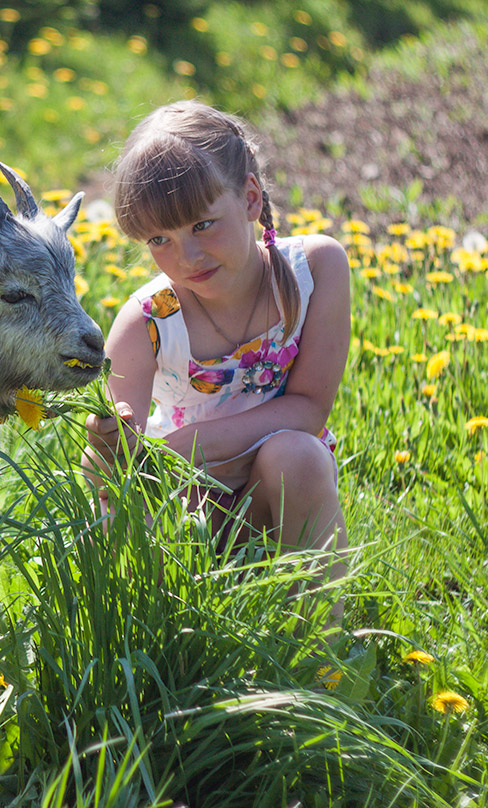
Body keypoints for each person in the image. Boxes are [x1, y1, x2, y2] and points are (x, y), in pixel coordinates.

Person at [82, 100, 351, 615]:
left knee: (300, 454)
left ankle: (322, 650)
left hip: (275, 502)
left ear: (250, 198)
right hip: (184, 517)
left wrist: (183, 446)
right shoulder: (148, 322)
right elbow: (112, 476)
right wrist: (107, 442)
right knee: (119, 514)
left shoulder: (315, 269)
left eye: (203, 225)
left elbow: (309, 407)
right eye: (160, 239)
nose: (187, 257)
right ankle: (161, 633)